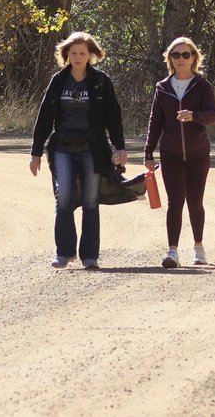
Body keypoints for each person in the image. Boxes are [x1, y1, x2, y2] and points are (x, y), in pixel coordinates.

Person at [29, 31, 128, 269]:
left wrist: (120, 146)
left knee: (90, 201)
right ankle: (64, 253)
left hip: (92, 149)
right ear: (66, 55)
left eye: (82, 53)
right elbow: (44, 116)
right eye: (73, 53)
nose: (77, 57)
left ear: (91, 55)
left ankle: (89, 256)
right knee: (63, 198)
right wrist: (36, 152)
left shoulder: (101, 81)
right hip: (62, 147)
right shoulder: (58, 81)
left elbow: (113, 116)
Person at [142, 36, 215, 268]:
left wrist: (195, 116)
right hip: (170, 153)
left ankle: (198, 248)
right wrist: (148, 152)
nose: (181, 59)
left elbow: (213, 115)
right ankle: (172, 252)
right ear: (170, 59)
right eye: (176, 55)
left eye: (186, 54)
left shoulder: (203, 86)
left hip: (198, 154)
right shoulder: (162, 88)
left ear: (194, 58)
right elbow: (155, 121)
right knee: (175, 202)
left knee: (195, 202)